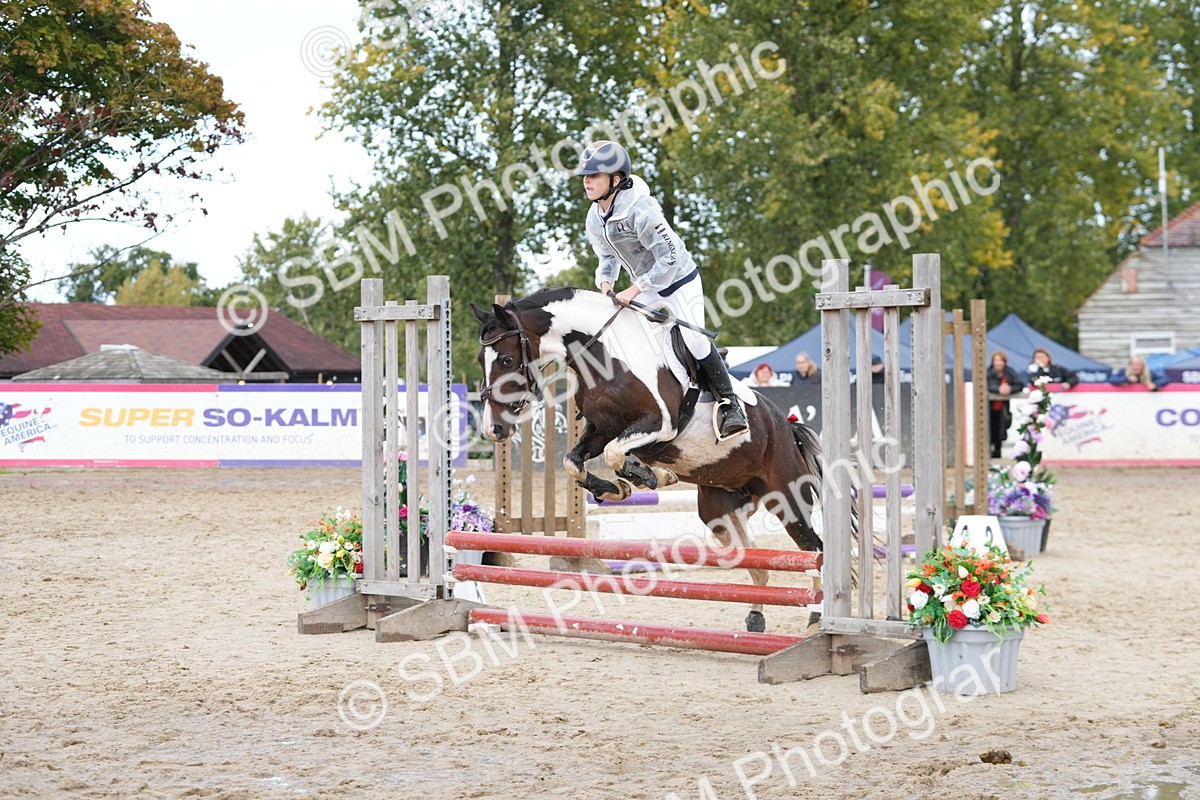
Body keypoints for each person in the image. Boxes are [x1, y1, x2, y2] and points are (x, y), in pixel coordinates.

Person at [577, 140, 748, 437]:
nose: (587, 181)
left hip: (679, 280)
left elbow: (669, 258)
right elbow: (606, 257)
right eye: (585, 175)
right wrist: (605, 282)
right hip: (644, 285)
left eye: (594, 175)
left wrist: (633, 290)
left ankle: (730, 405)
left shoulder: (642, 209)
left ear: (616, 180)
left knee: (695, 341)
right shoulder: (595, 217)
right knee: (615, 330)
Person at [986, 350, 1025, 459]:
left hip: (1003, 409)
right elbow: (985, 385)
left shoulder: (1010, 372)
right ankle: (989, 458)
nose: (998, 363)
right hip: (988, 409)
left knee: (1001, 434)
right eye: (996, 360)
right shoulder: (988, 372)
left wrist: (1009, 389)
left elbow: (1019, 385)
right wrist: (998, 389)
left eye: (1000, 360)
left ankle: (997, 457)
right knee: (988, 433)